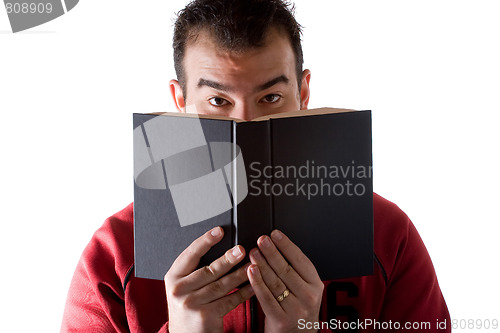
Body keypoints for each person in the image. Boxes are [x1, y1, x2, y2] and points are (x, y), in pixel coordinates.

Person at [61, 0, 451, 332]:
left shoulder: (385, 235)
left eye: (271, 97)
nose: (244, 125)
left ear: (303, 92)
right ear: (179, 101)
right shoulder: (115, 252)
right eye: (218, 101)